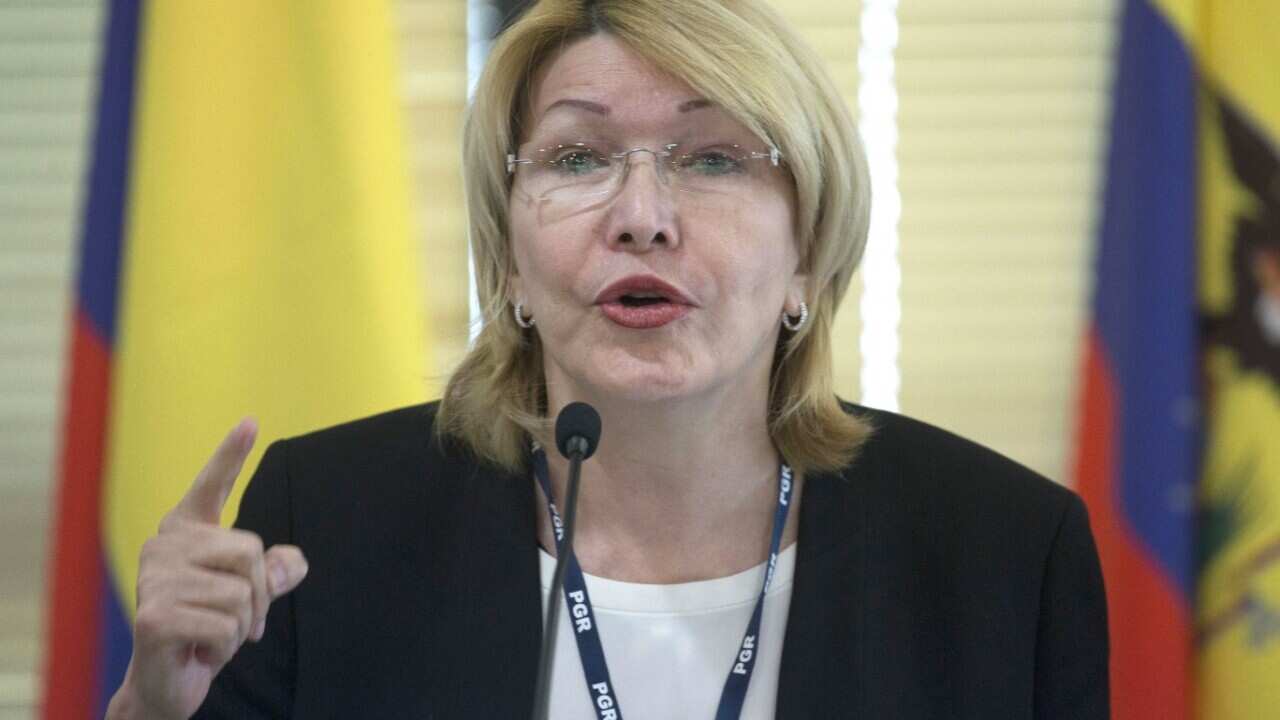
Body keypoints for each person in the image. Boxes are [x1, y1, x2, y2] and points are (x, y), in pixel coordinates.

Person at [105, 0, 1109, 718]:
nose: (640, 219)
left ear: (806, 253)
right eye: (577, 159)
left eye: (712, 158)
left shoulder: (1002, 557)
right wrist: (153, 709)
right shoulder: (325, 524)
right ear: (505, 259)